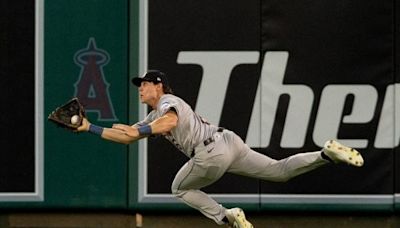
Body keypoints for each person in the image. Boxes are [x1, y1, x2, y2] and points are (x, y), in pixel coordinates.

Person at [77, 70, 364, 228]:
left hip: (210, 153)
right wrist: (89, 127)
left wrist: (140, 130)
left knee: (178, 188)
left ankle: (226, 216)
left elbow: (169, 121)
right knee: (279, 171)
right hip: (228, 142)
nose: (140, 89)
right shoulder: (153, 114)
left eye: (144, 84)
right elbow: (126, 135)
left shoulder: (167, 102)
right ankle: (326, 154)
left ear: (159, 85)